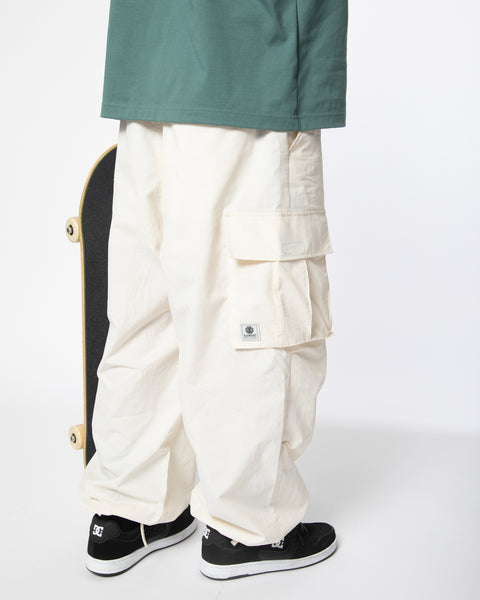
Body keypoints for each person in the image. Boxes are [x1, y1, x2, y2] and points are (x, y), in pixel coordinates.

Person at [78, 0, 348, 580]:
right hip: (248, 58)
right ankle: (249, 525)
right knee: (251, 304)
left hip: (148, 60)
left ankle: (130, 510)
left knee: (148, 306)